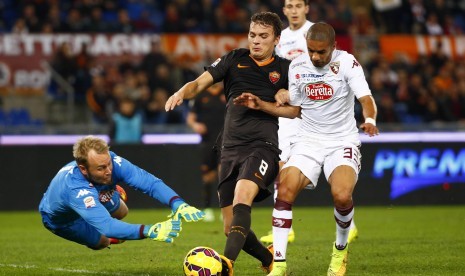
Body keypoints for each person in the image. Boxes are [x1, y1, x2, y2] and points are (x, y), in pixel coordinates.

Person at [233, 22, 379, 276]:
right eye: (311, 50)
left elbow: (366, 99)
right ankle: (278, 265)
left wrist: (369, 120)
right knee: (285, 191)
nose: (315, 56)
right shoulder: (298, 66)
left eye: (321, 52)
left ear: (334, 47)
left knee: (342, 197)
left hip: (342, 140)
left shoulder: (347, 63)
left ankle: (339, 252)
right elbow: (295, 110)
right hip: (308, 140)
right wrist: (263, 105)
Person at [165, 11, 290, 276]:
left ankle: (226, 264)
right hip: (230, 148)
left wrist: (286, 93)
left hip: (262, 145)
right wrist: (181, 93)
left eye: (263, 36)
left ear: (276, 39)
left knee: (243, 195)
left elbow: (298, 107)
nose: (256, 41)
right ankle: (269, 259)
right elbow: (199, 83)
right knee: (230, 226)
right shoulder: (234, 59)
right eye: (252, 35)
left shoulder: (285, 69)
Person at [260, 0, 358, 246]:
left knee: (331, 168)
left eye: (297, 6)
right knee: (282, 163)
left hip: (316, 112)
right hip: (291, 108)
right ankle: (285, 226)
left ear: (306, 9)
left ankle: (348, 223)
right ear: (283, 11)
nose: (293, 10)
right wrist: (279, 92)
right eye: (289, 6)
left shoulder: (317, 33)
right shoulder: (278, 38)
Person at [39, 135, 205, 250]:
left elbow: (150, 183)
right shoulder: (74, 187)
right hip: (63, 220)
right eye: (101, 168)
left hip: (92, 193)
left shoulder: (112, 162)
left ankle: (104, 196)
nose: (108, 171)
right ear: (83, 169)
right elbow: (107, 226)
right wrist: (149, 230)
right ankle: (104, 209)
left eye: (108, 164)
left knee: (123, 211)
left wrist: (178, 203)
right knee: (102, 242)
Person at [186, 82, 226, 222]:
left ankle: (225, 209)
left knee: (224, 174)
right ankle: (207, 208)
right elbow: (190, 118)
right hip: (207, 141)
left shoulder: (227, 92)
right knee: (207, 177)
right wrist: (195, 125)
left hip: (226, 141)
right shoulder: (200, 96)